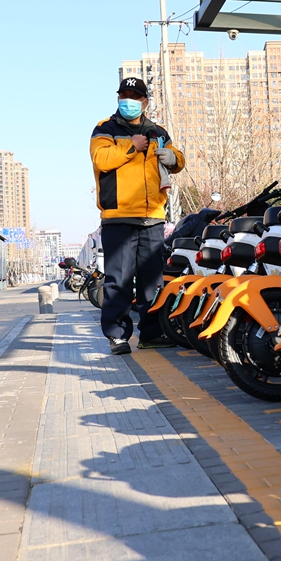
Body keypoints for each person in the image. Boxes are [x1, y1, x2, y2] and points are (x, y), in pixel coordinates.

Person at [90, 77, 185, 355]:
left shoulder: (158, 131)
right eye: (124, 95)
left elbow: (177, 160)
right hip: (119, 216)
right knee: (118, 280)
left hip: (153, 216)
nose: (128, 101)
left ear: (145, 102)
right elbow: (102, 160)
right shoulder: (104, 129)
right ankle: (117, 336)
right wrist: (132, 146)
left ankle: (152, 333)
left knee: (152, 282)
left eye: (135, 96)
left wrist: (173, 157)